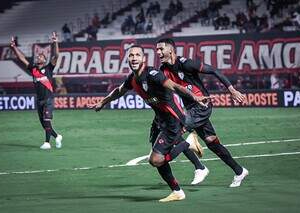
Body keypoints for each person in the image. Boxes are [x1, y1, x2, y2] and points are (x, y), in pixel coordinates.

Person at [88, 45, 209, 202]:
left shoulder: (152, 74)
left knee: (155, 160)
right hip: (160, 121)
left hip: (173, 121)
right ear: (128, 59)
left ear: (143, 58)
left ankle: (187, 143)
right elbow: (119, 91)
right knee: (157, 157)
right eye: (131, 55)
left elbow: (174, 86)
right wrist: (103, 102)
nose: (134, 58)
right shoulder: (132, 79)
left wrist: (194, 96)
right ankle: (177, 191)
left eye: (137, 55)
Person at [156, 38, 249, 188]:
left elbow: (213, 70)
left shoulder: (186, 63)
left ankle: (199, 167)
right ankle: (239, 171)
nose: (158, 52)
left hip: (202, 106)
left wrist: (231, 90)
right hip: (190, 109)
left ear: (171, 50)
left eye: (161, 49)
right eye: (157, 50)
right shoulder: (163, 70)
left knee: (174, 132)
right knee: (212, 143)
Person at [10, 32, 63, 150]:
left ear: (44, 60)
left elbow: (56, 55)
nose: (39, 57)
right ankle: (57, 136)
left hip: (48, 99)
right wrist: (14, 47)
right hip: (39, 100)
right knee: (44, 124)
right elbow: (21, 58)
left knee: (47, 119)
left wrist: (55, 42)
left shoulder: (49, 68)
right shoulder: (33, 69)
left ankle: (47, 143)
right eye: (38, 56)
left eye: (41, 56)